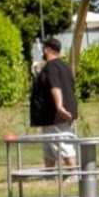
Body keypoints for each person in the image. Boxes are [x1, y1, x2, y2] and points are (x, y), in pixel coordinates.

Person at [29, 37, 79, 167]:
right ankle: (49, 174)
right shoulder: (65, 67)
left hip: (55, 117)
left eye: (43, 49)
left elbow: (55, 87)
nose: (42, 52)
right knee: (49, 151)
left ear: (48, 49)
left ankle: (74, 173)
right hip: (53, 118)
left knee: (64, 147)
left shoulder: (51, 67)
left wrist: (59, 107)